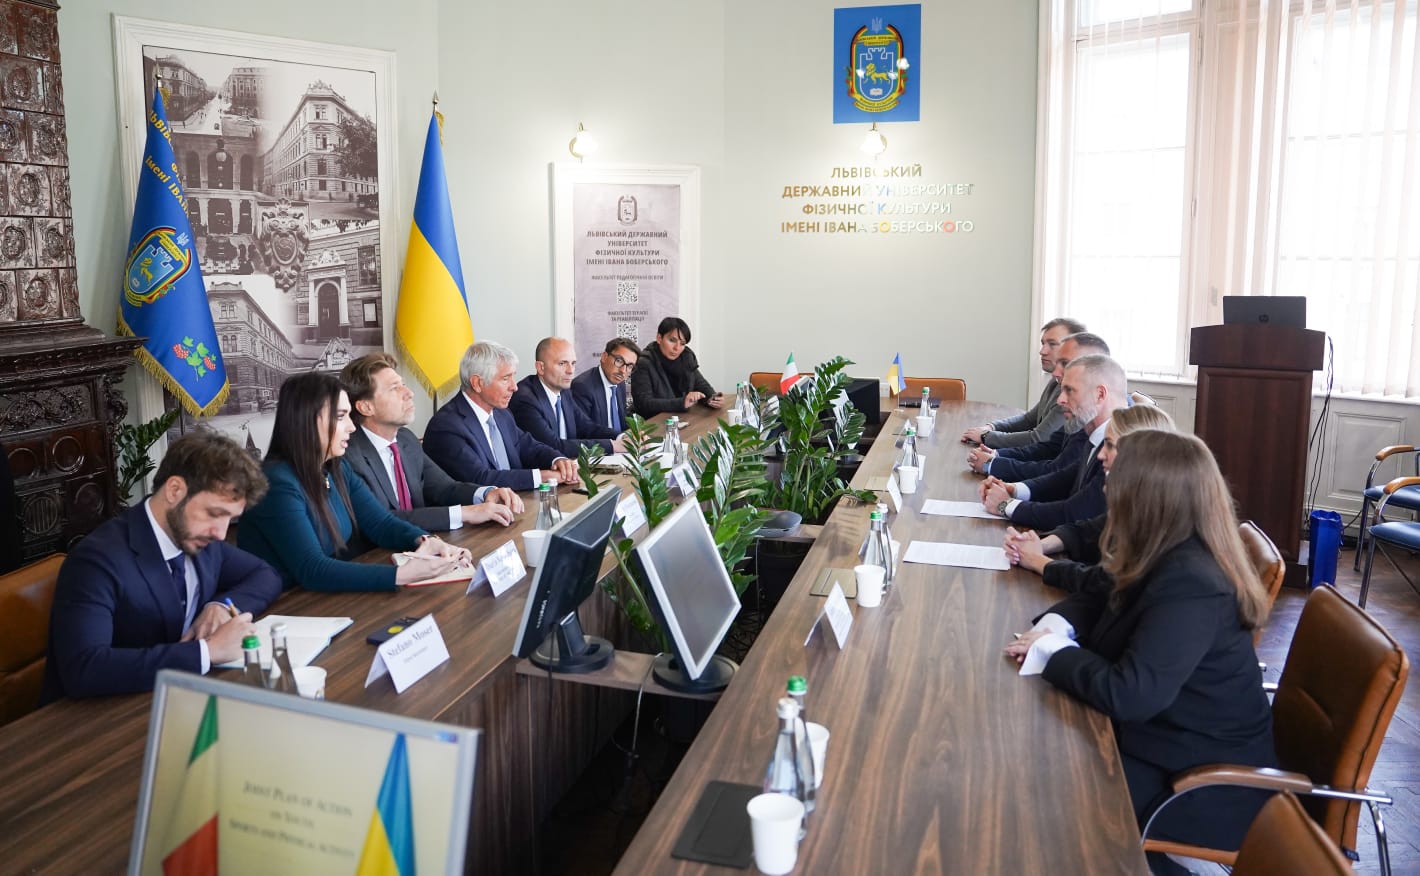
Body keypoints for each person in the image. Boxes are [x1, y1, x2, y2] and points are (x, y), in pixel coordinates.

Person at [1004, 431, 1276, 873]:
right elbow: (1098, 595)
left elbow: (1129, 694)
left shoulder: (1193, 582)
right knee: (1036, 763)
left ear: (1148, 497)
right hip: (1159, 742)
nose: (1107, 489)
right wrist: (1053, 627)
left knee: (1046, 794)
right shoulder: (1160, 549)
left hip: (1203, 782)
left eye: (1117, 481)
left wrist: (1053, 651)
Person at [42, 430, 279, 701]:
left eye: (230, 518)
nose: (221, 533)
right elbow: (84, 669)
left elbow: (265, 574)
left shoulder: (200, 539)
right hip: (100, 716)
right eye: (214, 513)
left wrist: (220, 606)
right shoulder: (96, 560)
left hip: (175, 697)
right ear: (175, 490)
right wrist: (208, 651)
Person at [240, 372, 468, 592]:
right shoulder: (277, 483)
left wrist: (426, 540)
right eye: (341, 417)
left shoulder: (336, 467)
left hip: (332, 596)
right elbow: (312, 570)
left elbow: (381, 523)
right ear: (307, 421)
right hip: (289, 605)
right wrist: (402, 575)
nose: (351, 426)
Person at [339, 352, 522, 532]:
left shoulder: (406, 439)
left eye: (403, 385)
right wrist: (464, 513)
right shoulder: (348, 456)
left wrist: (486, 493)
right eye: (394, 388)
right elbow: (383, 519)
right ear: (366, 407)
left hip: (424, 543)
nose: (409, 393)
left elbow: (445, 488)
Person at [1004, 405, 1176, 594]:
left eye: (1109, 445)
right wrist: (1038, 546)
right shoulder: (1135, 506)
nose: (1101, 454)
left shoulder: (1159, 525)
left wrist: (1037, 560)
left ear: (1140, 455)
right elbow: (1083, 531)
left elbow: (1103, 583)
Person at [979, 353, 1128, 529]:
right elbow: (1063, 479)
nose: (1060, 400)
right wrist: (1014, 489)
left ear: (1100, 394)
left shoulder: (1121, 447)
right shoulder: (1093, 431)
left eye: (1070, 390)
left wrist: (1006, 505)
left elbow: (1075, 512)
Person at [423, 341, 578, 491]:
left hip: (518, 501)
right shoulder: (446, 427)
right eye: (505, 379)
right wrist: (542, 477)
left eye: (513, 377)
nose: (514, 387)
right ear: (477, 383)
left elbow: (528, 446)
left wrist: (557, 460)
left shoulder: (501, 413)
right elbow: (480, 478)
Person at [967, 331, 1111, 477]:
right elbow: (1047, 447)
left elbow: (1056, 472)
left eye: (1066, 363)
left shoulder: (1111, 439)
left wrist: (993, 462)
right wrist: (997, 455)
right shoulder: (1081, 415)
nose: (1056, 372)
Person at [962, 317, 1085, 449]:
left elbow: (1038, 439)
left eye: (1052, 344)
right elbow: (1029, 420)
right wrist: (991, 427)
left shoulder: (1073, 394)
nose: (1042, 351)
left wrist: (987, 437)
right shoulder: (1056, 381)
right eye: (1043, 343)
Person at [509, 337, 625, 457]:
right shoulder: (525, 399)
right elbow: (553, 446)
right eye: (562, 363)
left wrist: (622, 437)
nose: (570, 371)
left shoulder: (564, 391)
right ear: (541, 367)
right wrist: (612, 445)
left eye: (573, 363)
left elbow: (586, 427)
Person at [628, 317, 724, 417]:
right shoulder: (643, 362)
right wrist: (682, 403)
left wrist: (712, 398)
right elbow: (643, 403)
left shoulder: (686, 358)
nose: (677, 348)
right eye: (672, 340)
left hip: (678, 418)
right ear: (659, 338)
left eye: (682, 343)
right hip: (649, 421)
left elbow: (701, 384)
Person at [570, 336, 637, 435]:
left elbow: (621, 420)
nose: (623, 371)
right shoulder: (582, 386)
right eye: (619, 361)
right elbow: (585, 429)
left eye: (629, 366)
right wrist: (620, 437)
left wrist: (636, 433)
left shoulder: (620, 383)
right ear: (604, 357)